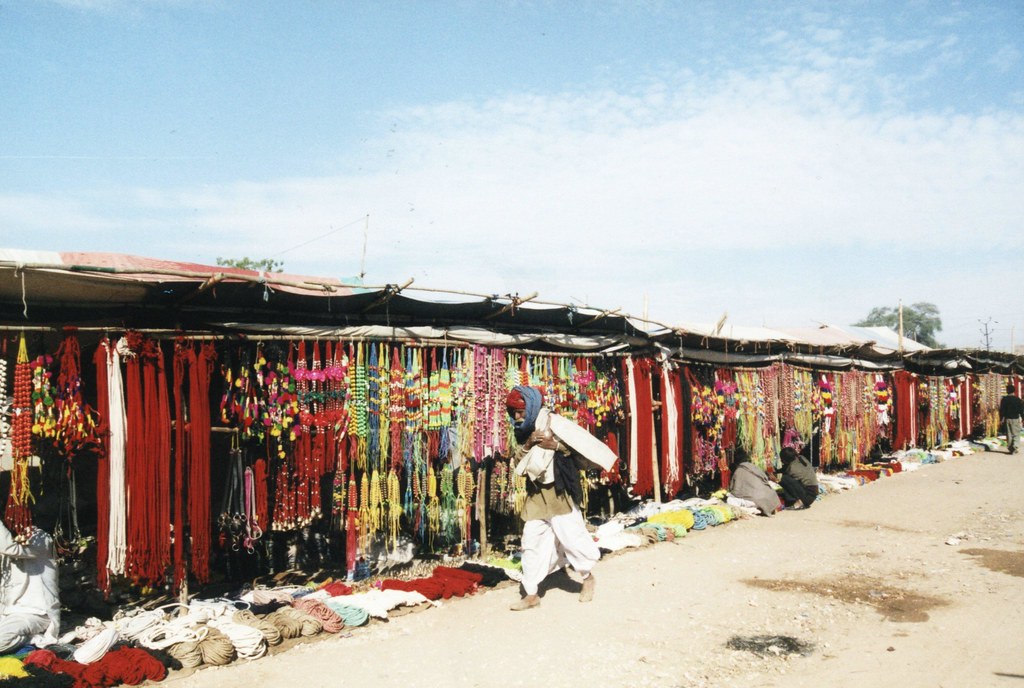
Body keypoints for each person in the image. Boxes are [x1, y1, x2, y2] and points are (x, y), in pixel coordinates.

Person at [506, 385, 616, 611]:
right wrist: (528, 444)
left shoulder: (555, 423)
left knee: (572, 538)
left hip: (558, 492)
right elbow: (518, 461)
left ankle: (587, 578)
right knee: (531, 542)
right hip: (536, 496)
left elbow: (581, 450)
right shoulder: (524, 431)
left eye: (520, 411)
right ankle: (532, 594)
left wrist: (554, 445)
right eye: (514, 413)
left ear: (532, 406)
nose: (517, 417)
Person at [0, 517, 60, 654]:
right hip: (8, 612)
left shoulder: (41, 538)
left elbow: (11, 548)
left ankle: (30, 639)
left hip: (34, 613)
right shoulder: (10, 539)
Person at [728, 447, 780, 516]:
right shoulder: (754, 466)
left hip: (756, 501)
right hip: (770, 496)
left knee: (730, 499)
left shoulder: (739, 470)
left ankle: (753, 509)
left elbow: (735, 490)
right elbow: (765, 479)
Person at [999, 383, 1023, 454]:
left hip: (1007, 419)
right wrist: (1023, 418)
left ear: (1007, 391)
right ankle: (1015, 446)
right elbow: (1021, 410)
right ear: (1014, 391)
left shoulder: (1004, 399)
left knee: (1009, 433)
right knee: (1016, 433)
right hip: (1015, 418)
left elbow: (1002, 410)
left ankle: (1010, 448)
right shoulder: (1017, 400)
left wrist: (1001, 419)